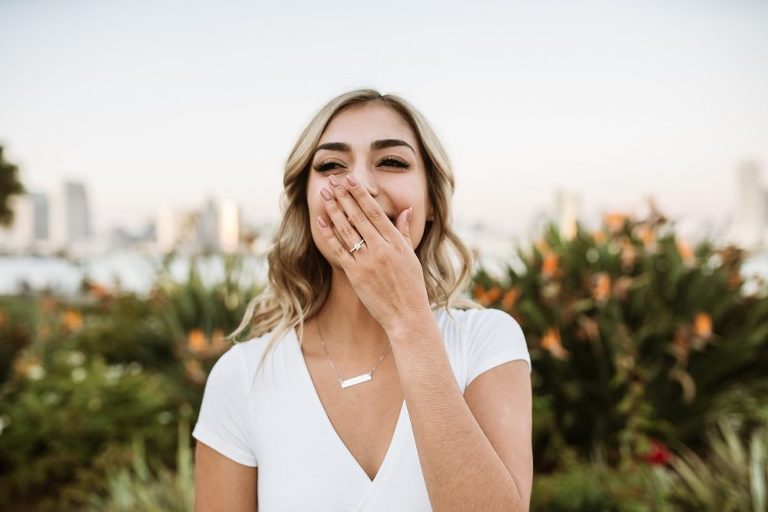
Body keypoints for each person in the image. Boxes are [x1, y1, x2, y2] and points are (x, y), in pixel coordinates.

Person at [192, 89, 533, 511]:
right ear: (305, 202)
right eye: (332, 165)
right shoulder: (242, 378)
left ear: (430, 203)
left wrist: (407, 319)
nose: (361, 187)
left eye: (392, 162)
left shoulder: (486, 344)